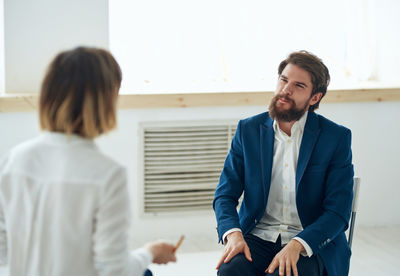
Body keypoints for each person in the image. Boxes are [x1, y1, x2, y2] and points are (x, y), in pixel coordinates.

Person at [0, 47, 177, 276]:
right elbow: (115, 270)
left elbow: (4, 250)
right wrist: (150, 252)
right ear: (107, 101)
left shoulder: (14, 160)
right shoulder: (109, 174)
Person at [213, 51, 354, 276]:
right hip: (258, 236)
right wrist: (233, 234)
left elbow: (338, 212)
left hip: (311, 242)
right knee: (230, 272)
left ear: (314, 98)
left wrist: (298, 244)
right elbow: (224, 195)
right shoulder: (248, 130)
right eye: (284, 80)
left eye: (298, 86)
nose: (286, 90)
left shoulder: (335, 138)